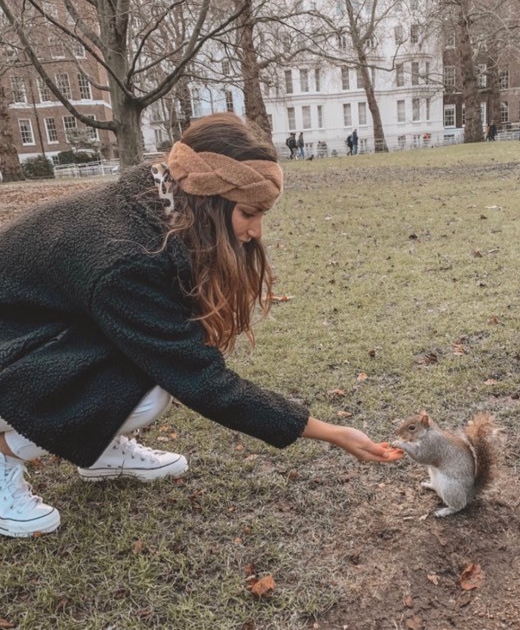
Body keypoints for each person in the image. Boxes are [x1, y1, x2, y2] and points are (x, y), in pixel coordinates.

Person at [0, 113, 400, 538]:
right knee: (147, 393)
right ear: (210, 197)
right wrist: (332, 433)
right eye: (249, 213)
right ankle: (5, 454)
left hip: (41, 324)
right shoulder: (128, 258)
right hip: (12, 340)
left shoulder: (160, 192)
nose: (256, 230)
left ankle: (97, 449)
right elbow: (204, 382)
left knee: (144, 373)